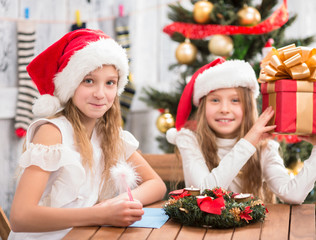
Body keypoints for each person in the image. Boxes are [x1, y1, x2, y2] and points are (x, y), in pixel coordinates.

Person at [9, 29, 166, 239]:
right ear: (71, 85)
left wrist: (114, 205)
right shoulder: (53, 132)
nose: (100, 94)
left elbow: (156, 185)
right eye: (89, 81)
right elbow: (21, 217)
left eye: (110, 82)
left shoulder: (110, 134)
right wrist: (100, 214)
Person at [166, 57, 316, 204]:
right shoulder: (189, 140)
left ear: (248, 107)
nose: (224, 109)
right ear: (203, 106)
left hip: (253, 228)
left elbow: (293, 195)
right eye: (215, 100)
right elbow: (205, 194)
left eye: (235, 100)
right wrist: (248, 141)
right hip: (202, 228)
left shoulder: (264, 148)